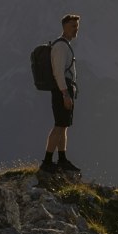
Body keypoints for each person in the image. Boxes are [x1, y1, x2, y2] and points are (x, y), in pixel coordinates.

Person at [41, 14, 81, 174]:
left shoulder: (64, 45)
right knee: (59, 126)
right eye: (72, 26)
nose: (75, 29)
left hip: (65, 89)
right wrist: (65, 94)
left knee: (63, 126)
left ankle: (62, 159)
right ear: (64, 26)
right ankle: (47, 162)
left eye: (77, 26)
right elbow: (58, 72)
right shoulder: (61, 47)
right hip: (61, 90)